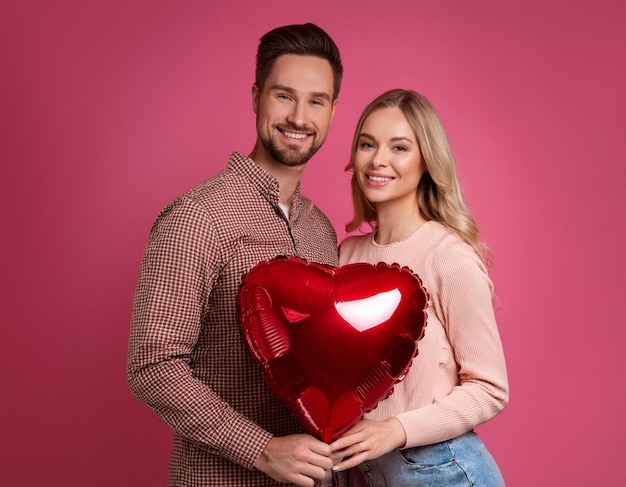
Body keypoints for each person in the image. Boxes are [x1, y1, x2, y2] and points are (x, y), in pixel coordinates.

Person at [127, 23, 343, 487]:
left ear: (332, 111)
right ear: (256, 96)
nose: (299, 117)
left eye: (316, 101)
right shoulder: (198, 216)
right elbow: (152, 365)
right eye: (284, 95)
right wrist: (261, 450)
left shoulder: (321, 230)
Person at [329, 89, 509, 486]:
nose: (379, 160)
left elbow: (491, 389)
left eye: (399, 147)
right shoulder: (346, 256)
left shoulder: (448, 256)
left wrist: (395, 429)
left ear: (426, 161)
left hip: (444, 472)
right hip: (369, 473)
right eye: (367, 144)